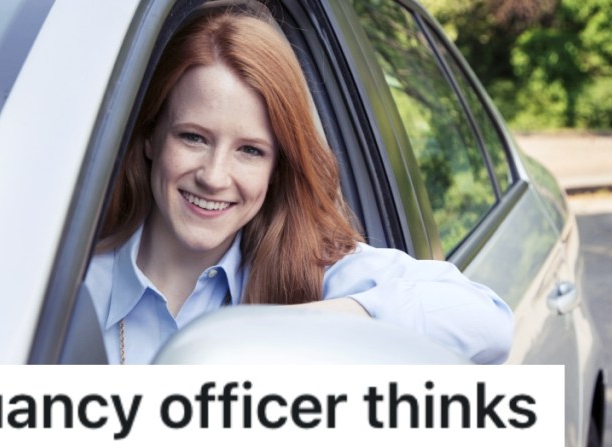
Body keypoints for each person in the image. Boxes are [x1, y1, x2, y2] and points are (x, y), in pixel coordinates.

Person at [85, 3, 513, 365]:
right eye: (193, 137)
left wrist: (298, 326)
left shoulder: (309, 271)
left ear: (278, 167)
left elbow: (489, 318)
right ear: (149, 137)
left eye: (250, 150)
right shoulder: (66, 282)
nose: (214, 176)